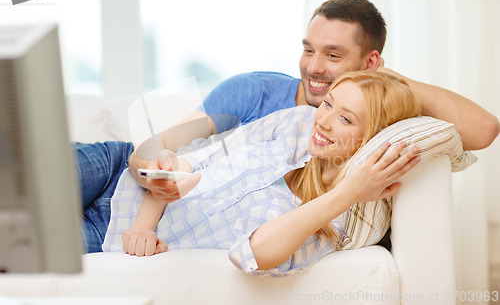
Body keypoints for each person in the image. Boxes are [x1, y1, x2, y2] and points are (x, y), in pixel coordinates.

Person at [75, 0, 499, 252]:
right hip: (116, 170)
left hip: (125, 228)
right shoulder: (254, 92)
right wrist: (156, 179)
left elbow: (483, 130)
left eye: (333, 56)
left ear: (369, 63)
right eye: (308, 49)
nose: (313, 67)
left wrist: (380, 82)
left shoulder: (362, 125)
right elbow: (151, 149)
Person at [100, 71, 421, 276]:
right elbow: (187, 161)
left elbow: (251, 254)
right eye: (328, 104)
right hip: (120, 175)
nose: (322, 120)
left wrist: (347, 192)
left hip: (106, 237)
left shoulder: (342, 214)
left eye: (346, 119)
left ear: (371, 139)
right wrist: (143, 225)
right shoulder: (296, 126)